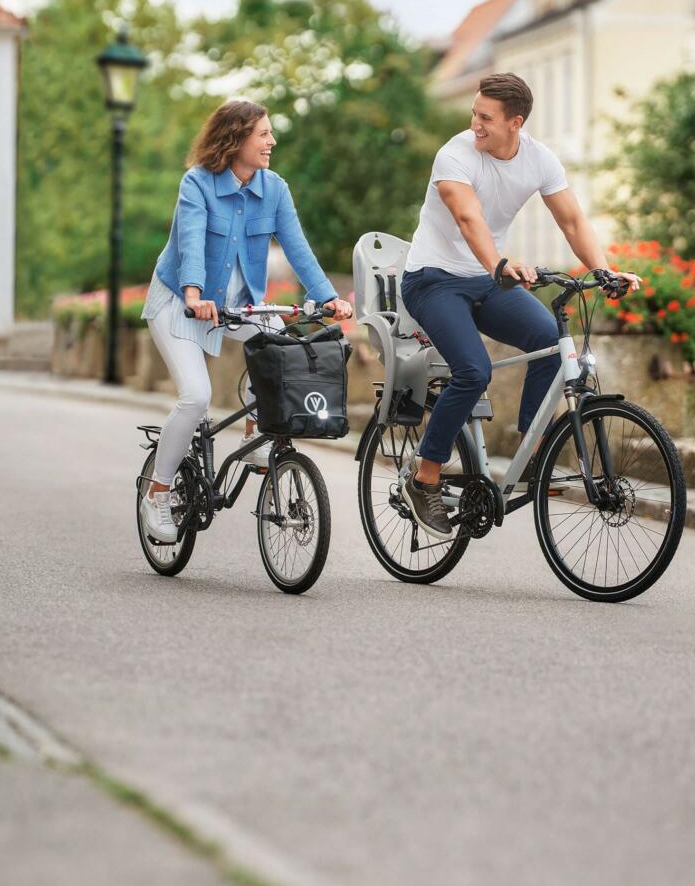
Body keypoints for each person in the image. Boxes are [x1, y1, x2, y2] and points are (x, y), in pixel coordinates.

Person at [398, 72, 639, 540]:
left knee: (550, 338)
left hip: (488, 280)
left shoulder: (539, 159)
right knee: (473, 370)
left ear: (516, 122)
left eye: (485, 118)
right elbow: (468, 219)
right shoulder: (455, 155)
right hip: (433, 280)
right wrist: (499, 263)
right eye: (474, 113)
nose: (475, 125)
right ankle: (424, 476)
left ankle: (532, 450)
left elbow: (571, 220)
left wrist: (605, 269)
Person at [139, 99, 352, 544]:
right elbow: (191, 239)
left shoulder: (274, 189)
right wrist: (194, 293)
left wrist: (328, 297)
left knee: (282, 349)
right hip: (180, 301)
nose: (272, 141)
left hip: (236, 305)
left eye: (271, 133)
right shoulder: (197, 183)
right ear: (235, 138)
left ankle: (256, 431)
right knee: (196, 397)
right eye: (263, 134)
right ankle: (158, 490)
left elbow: (297, 248)